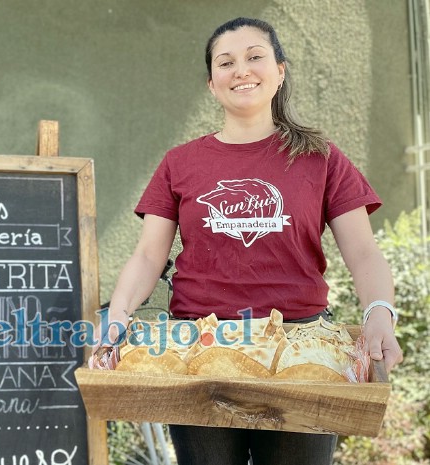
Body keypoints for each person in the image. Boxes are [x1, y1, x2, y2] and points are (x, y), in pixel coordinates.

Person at [99, 17, 403, 465]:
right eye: (226, 62)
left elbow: (362, 252)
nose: (241, 70)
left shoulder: (320, 157)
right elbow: (148, 254)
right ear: (211, 83)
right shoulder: (179, 162)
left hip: (303, 350)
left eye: (254, 57)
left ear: (280, 71)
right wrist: (119, 313)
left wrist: (380, 313)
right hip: (197, 350)